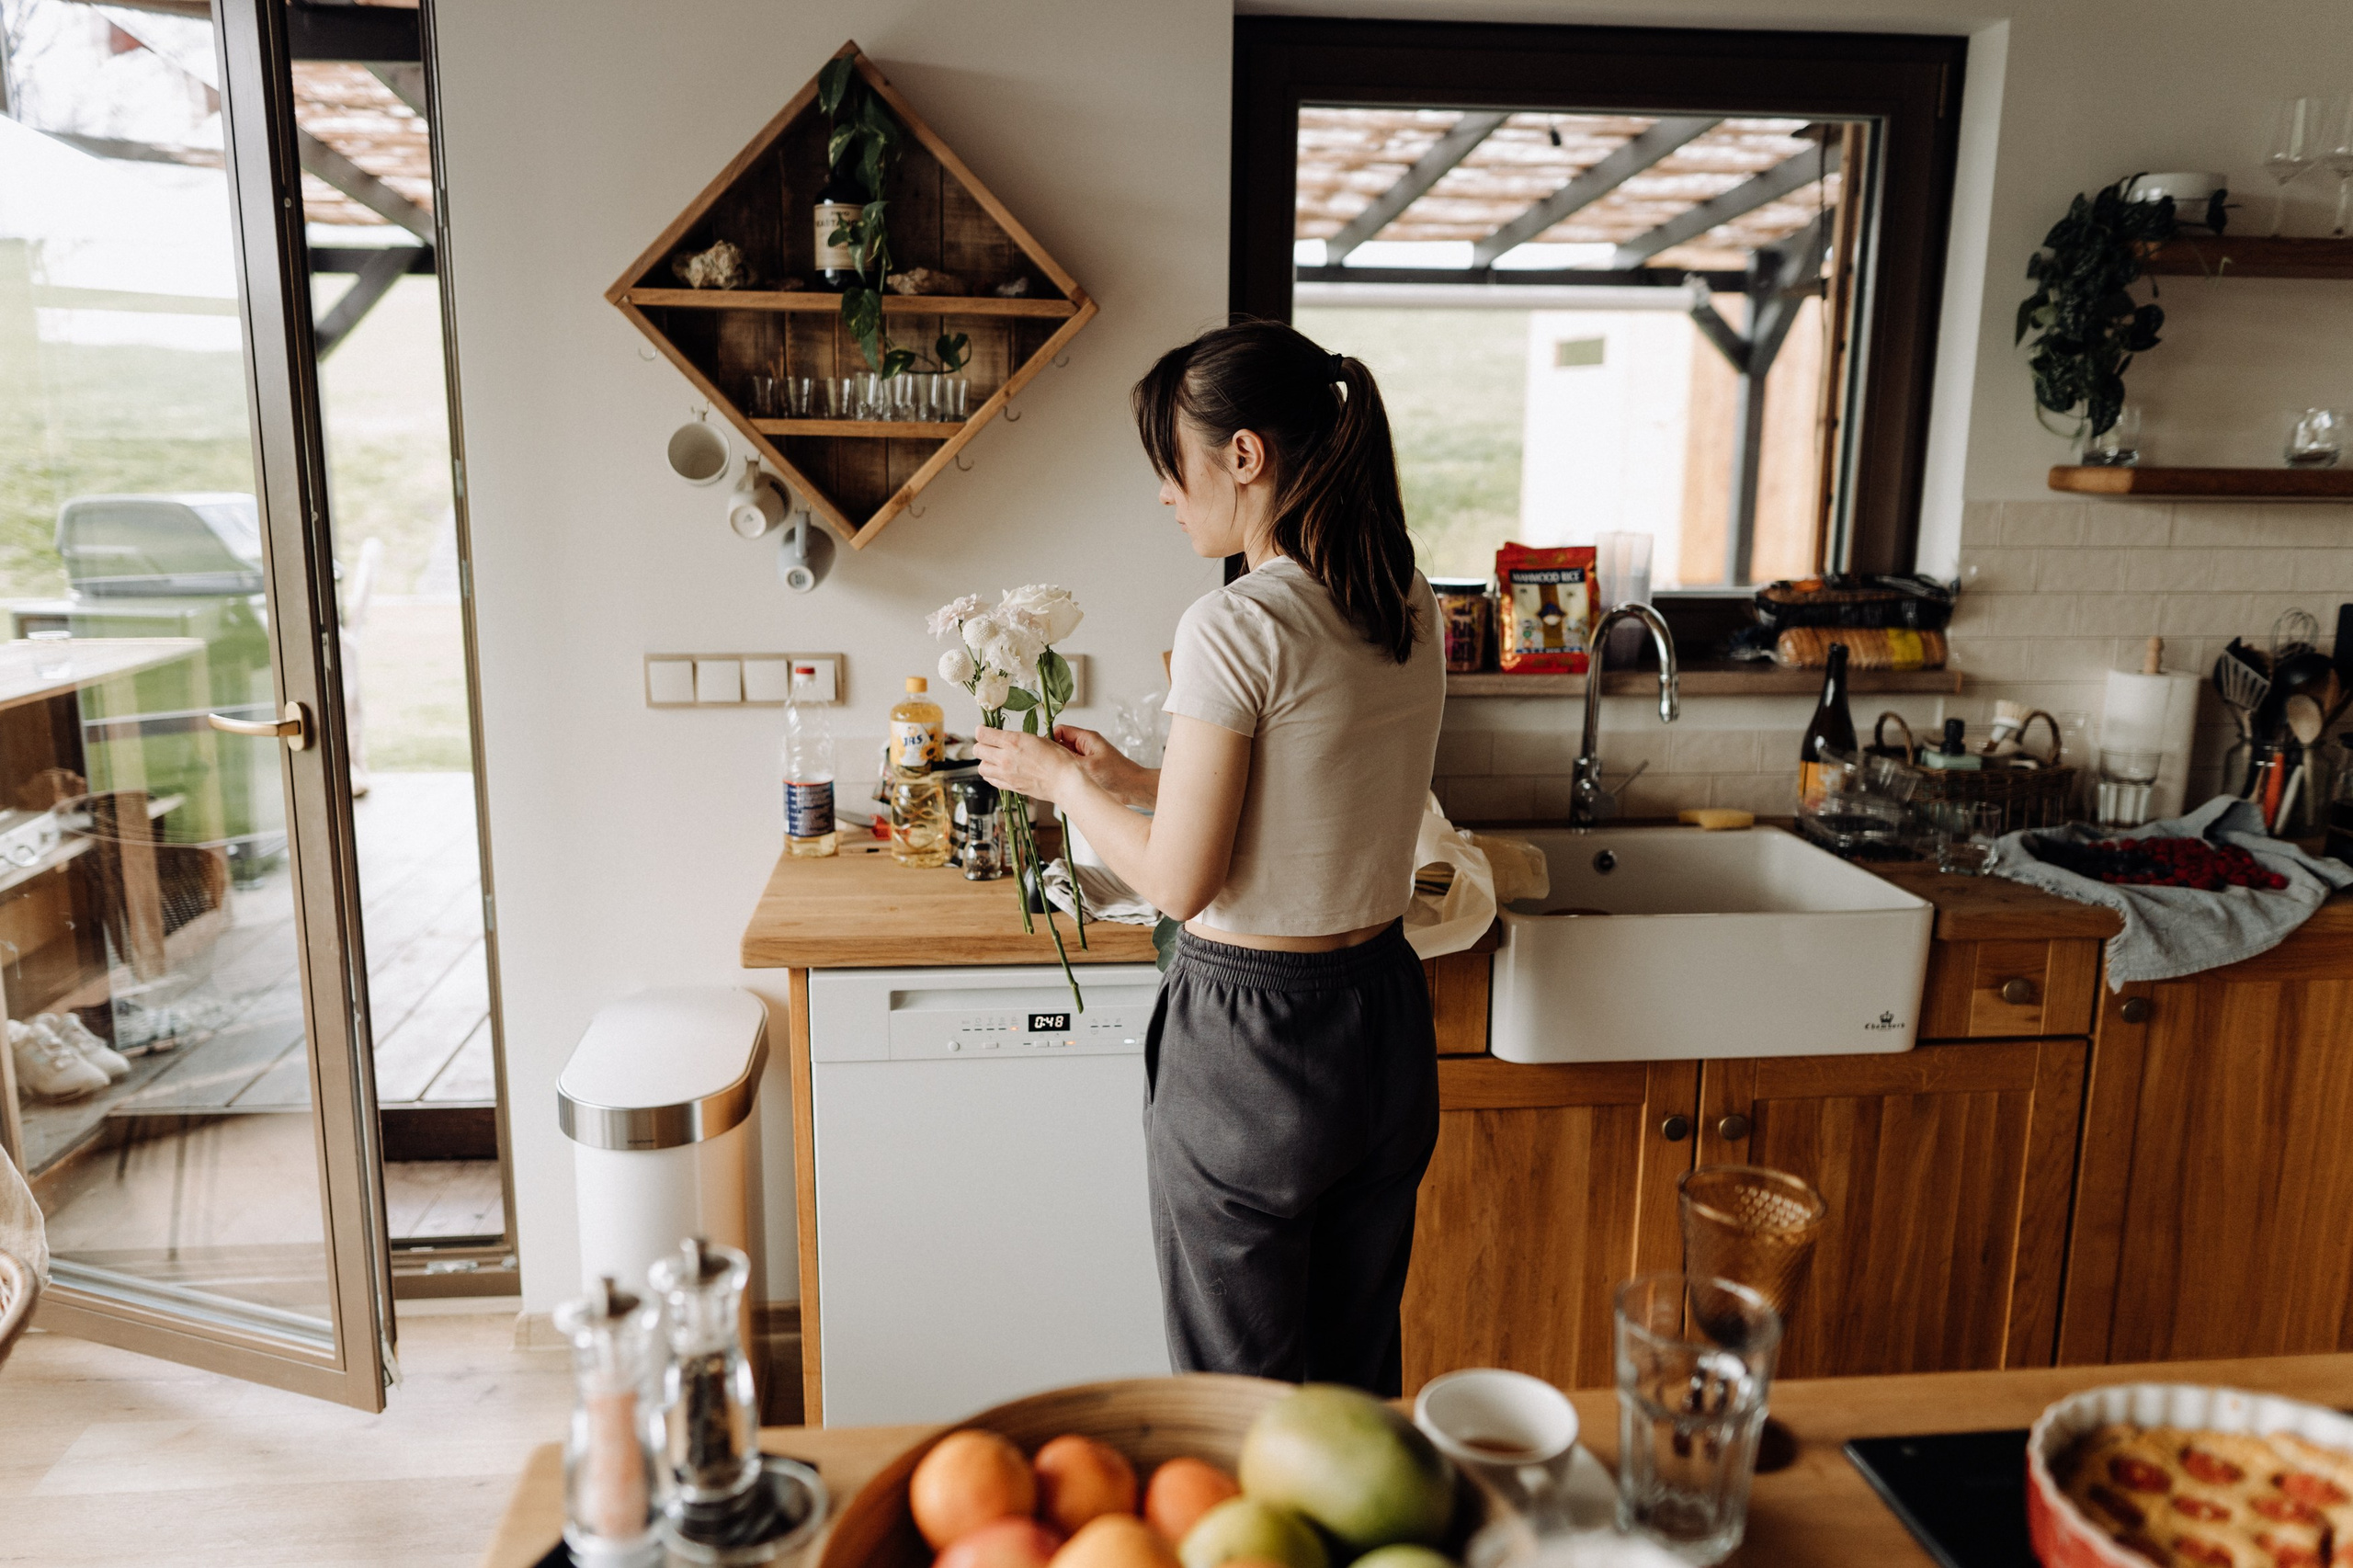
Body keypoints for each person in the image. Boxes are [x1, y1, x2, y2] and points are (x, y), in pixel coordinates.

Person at [974, 319, 1445, 1394]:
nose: (1162, 492)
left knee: (1238, 1398)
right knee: (1354, 1385)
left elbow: (1180, 882)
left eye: (1169, 463)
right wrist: (1144, 775)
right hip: (1379, 1018)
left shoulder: (1235, 621)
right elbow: (1319, 778)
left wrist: (1067, 786)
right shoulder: (1401, 596)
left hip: (1254, 1042)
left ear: (1244, 455)